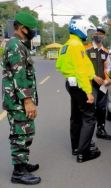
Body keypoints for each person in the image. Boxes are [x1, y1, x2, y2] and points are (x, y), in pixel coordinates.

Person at [1, 11, 41, 185]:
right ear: (23, 28)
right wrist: (28, 101)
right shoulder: (15, 45)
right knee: (20, 134)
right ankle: (18, 172)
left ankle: (22, 163)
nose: (33, 31)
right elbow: (19, 76)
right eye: (31, 29)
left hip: (18, 100)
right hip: (18, 101)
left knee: (26, 132)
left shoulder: (19, 44)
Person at [56, 16, 101, 163]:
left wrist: (91, 75)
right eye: (87, 30)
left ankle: (76, 147)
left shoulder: (67, 45)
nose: (87, 33)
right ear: (80, 29)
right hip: (80, 85)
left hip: (71, 84)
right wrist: (88, 92)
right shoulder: (77, 46)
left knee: (76, 116)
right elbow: (81, 70)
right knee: (89, 117)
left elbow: (59, 65)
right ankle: (83, 153)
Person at [86, 26, 111, 140]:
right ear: (93, 35)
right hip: (89, 84)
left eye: (101, 33)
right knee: (91, 108)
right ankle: (87, 136)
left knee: (102, 108)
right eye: (97, 33)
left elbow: (107, 68)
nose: (99, 35)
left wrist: (108, 79)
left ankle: (101, 130)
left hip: (102, 85)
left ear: (104, 36)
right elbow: (82, 67)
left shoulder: (105, 52)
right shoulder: (86, 49)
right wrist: (93, 76)